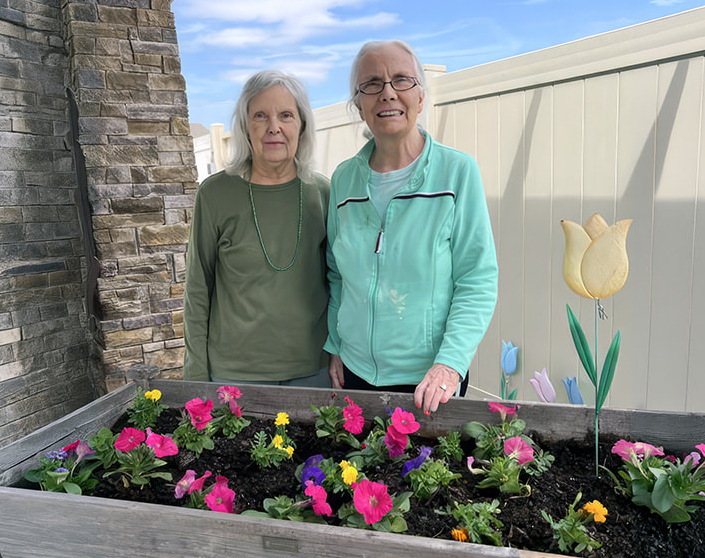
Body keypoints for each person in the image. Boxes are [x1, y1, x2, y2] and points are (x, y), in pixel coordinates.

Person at [325, 40, 498, 414]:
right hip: (354, 373)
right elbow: (336, 273)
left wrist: (450, 363)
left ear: (420, 97)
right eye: (372, 83)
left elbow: (477, 279)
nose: (387, 92)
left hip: (429, 382)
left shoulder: (457, 174)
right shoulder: (342, 181)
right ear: (359, 104)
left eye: (401, 80)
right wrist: (336, 345)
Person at [183, 70, 330, 387]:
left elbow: (341, 284)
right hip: (234, 375)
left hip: (313, 370)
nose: (273, 127)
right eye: (260, 115)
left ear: (301, 125)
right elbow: (197, 290)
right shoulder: (214, 194)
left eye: (286, 115)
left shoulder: (324, 193)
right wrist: (195, 376)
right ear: (245, 127)